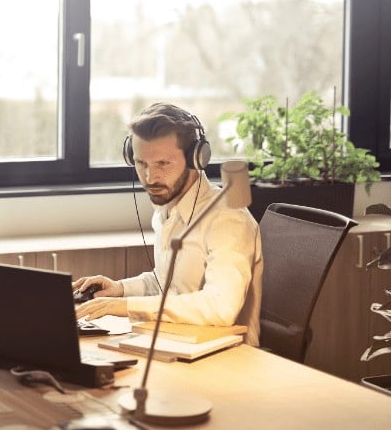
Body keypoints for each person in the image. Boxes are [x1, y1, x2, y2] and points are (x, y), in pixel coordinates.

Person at [74, 103, 263, 346]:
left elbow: (221, 307)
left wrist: (126, 306)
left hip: (226, 358)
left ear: (197, 158)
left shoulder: (228, 219)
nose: (150, 178)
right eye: (141, 164)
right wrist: (120, 289)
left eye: (163, 164)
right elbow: (167, 284)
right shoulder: (167, 210)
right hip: (176, 342)